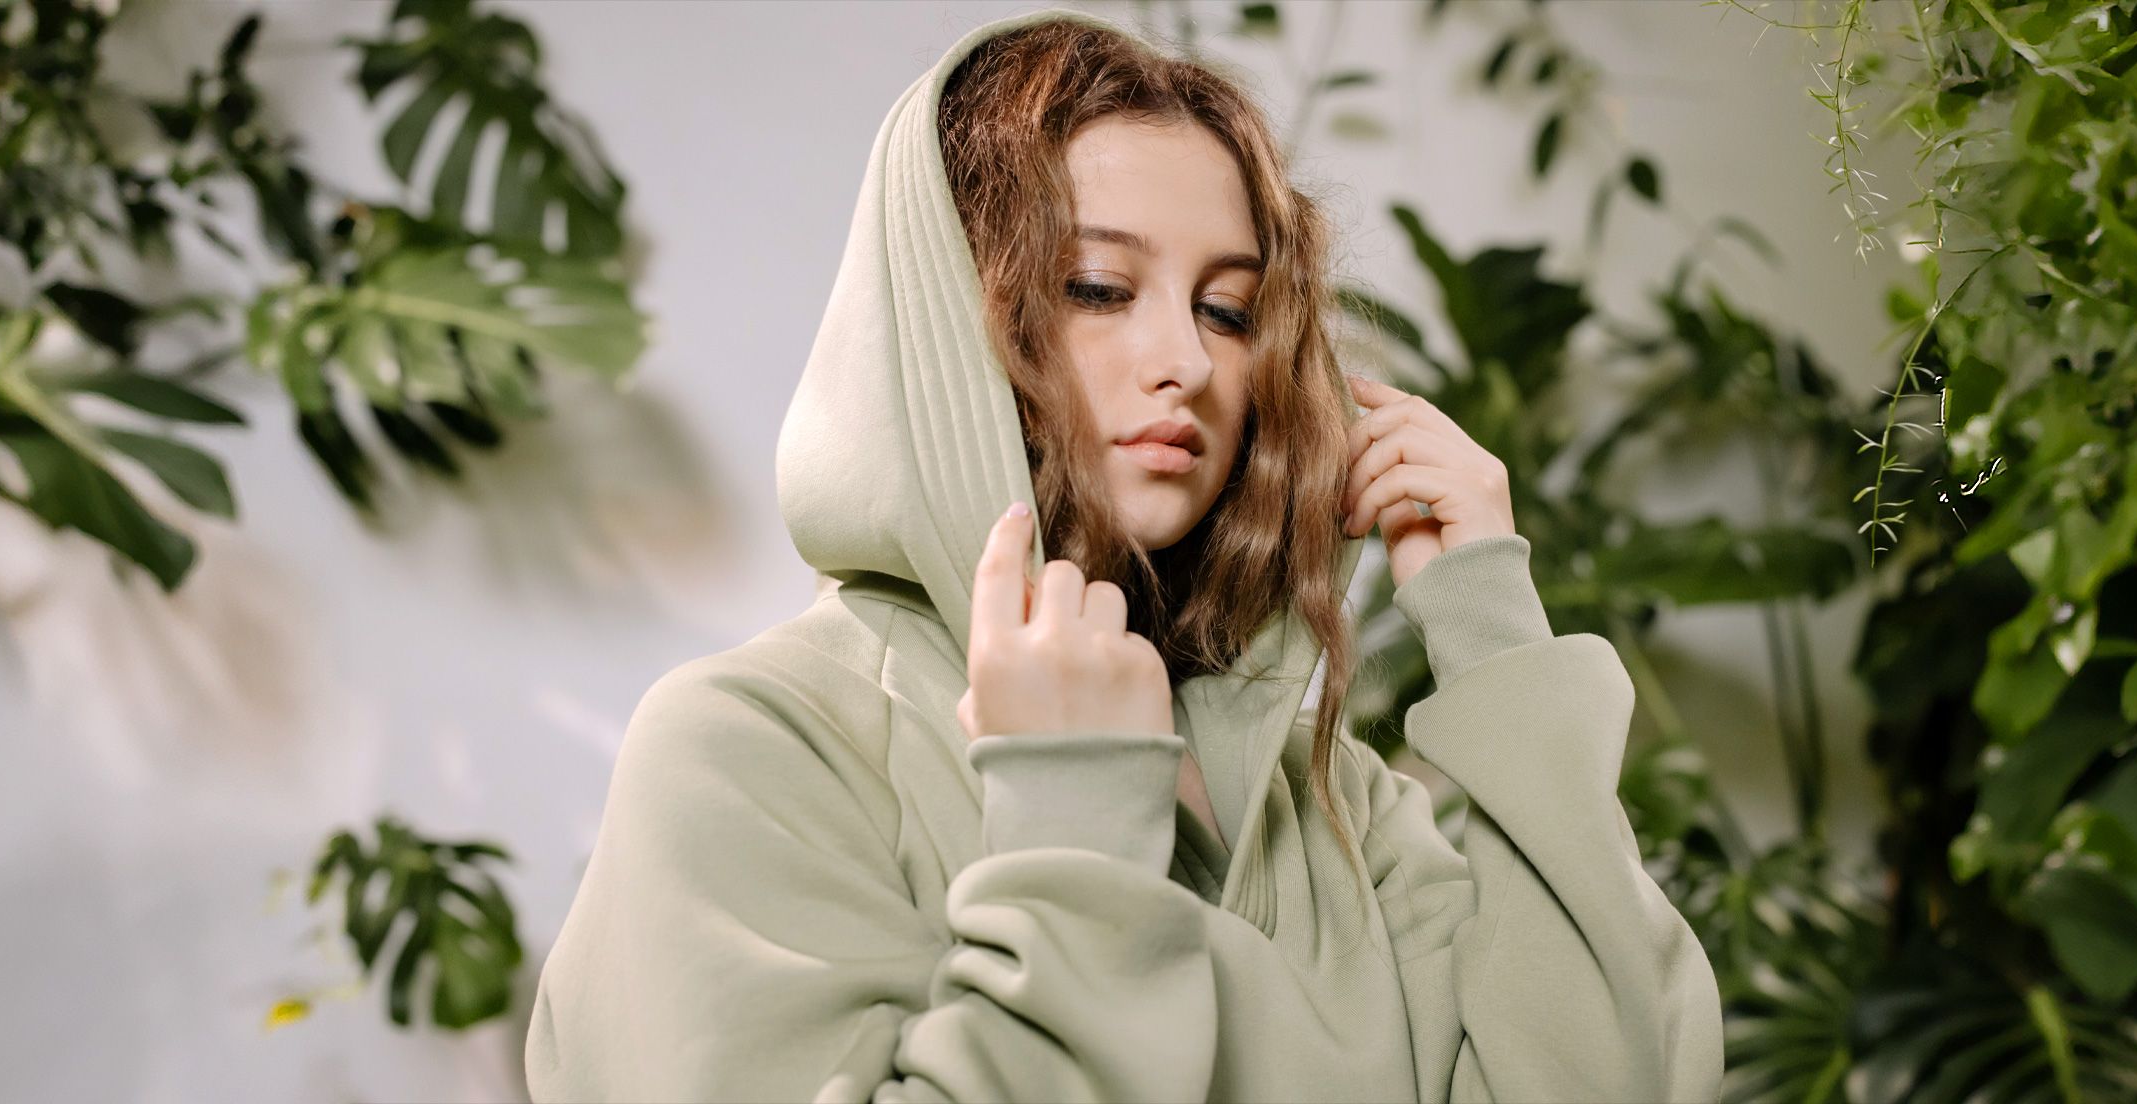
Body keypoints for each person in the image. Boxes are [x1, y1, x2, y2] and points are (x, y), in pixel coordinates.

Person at [521, 7, 1723, 1102]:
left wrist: (1491, 634)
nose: (1187, 364)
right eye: (1097, 288)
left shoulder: (1336, 800)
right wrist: (1074, 819)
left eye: (1226, 309)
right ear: (946, 311)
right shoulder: (753, 747)